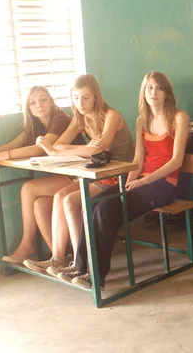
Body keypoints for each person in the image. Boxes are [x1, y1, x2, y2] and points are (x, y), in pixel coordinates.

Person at [57, 72, 189, 289]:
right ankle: (80, 267)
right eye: (148, 88)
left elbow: (176, 161)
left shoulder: (178, 117)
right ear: (143, 93)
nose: (153, 93)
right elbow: (138, 160)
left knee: (106, 210)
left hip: (164, 185)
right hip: (142, 181)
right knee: (93, 204)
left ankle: (96, 277)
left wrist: (143, 182)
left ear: (167, 93)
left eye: (158, 88)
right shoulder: (141, 121)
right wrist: (127, 183)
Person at [22, 74, 135, 274]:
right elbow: (55, 146)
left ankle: (81, 263)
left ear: (95, 97)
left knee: (70, 201)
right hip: (99, 174)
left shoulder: (111, 115)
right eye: (75, 98)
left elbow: (97, 151)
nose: (80, 103)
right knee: (59, 196)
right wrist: (74, 149)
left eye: (85, 97)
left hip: (120, 176)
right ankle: (57, 258)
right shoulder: (79, 118)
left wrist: (69, 150)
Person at [0, 86, 82, 264]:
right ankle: (58, 259)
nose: (39, 105)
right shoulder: (35, 124)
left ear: (51, 102)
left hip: (78, 173)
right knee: (39, 204)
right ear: (28, 108)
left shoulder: (60, 118)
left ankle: (27, 244)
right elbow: (16, 143)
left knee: (28, 188)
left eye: (43, 100)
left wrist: (3, 156)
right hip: (63, 174)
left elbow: (40, 148)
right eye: (33, 103)